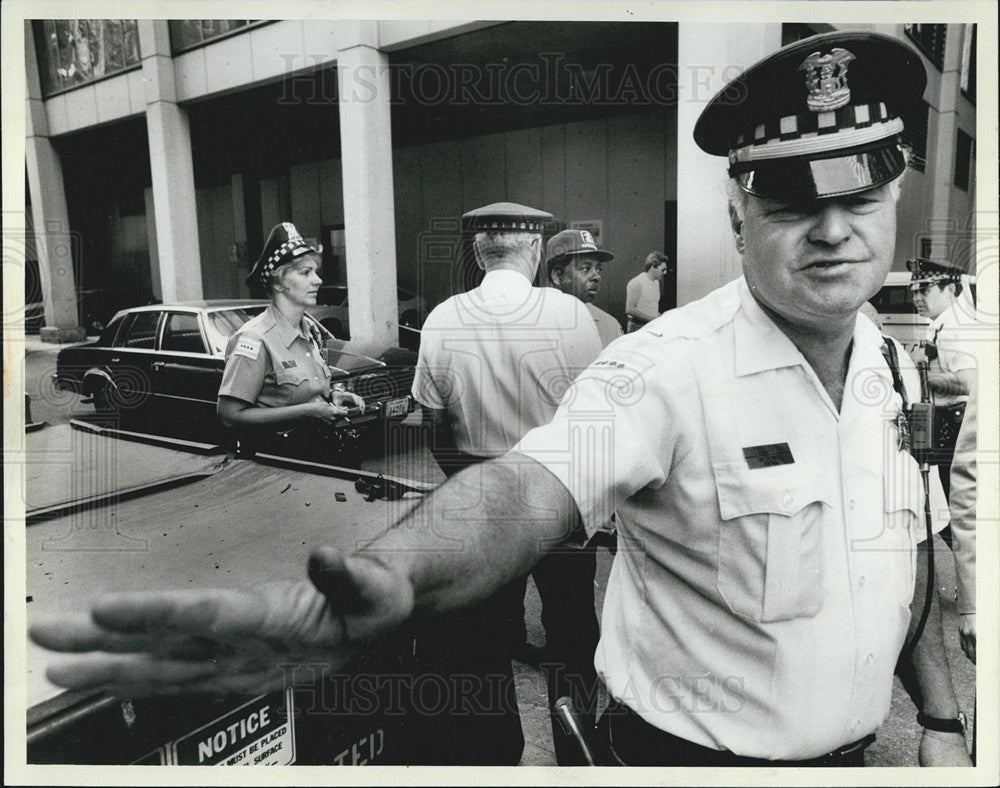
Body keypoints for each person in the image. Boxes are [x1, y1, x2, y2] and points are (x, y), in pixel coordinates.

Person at [30, 32, 971, 768]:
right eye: (794, 204)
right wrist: (399, 579)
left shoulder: (891, 364)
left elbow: (912, 552)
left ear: (894, 199)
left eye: (865, 197)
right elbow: (528, 482)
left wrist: (938, 714)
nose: (836, 233)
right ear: (738, 214)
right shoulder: (665, 365)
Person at [407, 202, 604, 764]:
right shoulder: (571, 316)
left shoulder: (443, 318)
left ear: (478, 252)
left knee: (484, 638)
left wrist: (470, 482)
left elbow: (433, 426)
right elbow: (592, 422)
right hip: (560, 499)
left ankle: (496, 757)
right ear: (537, 250)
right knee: (570, 631)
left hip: (482, 502)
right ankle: (577, 754)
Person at [217, 222, 365, 460]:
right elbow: (229, 414)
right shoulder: (255, 339)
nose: (317, 280)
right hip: (281, 461)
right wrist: (308, 411)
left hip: (321, 451)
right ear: (278, 282)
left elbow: (304, 391)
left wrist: (331, 398)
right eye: (305, 273)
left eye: (315, 272)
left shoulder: (310, 332)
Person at [908, 258, 977, 504]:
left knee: (956, 505)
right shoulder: (940, 324)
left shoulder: (956, 328)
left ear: (949, 289)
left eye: (924, 289)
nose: (917, 297)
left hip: (957, 426)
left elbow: (970, 383)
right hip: (945, 426)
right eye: (914, 290)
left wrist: (919, 378)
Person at [547, 228, 622, 347]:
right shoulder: (538, 323)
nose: (597, 276)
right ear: (557, 276)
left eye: (598, 269)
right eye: (585, 268)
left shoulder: (609, 325)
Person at [624, 252, 667, 332]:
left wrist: (661, 317)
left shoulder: (656, 282)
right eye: (663, 270)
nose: (665, 273)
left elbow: (650, 306)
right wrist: (653, 319)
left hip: (651, 326)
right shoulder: (636, 282)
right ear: (652, 267)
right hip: (637, 327)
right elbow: (629, 310)